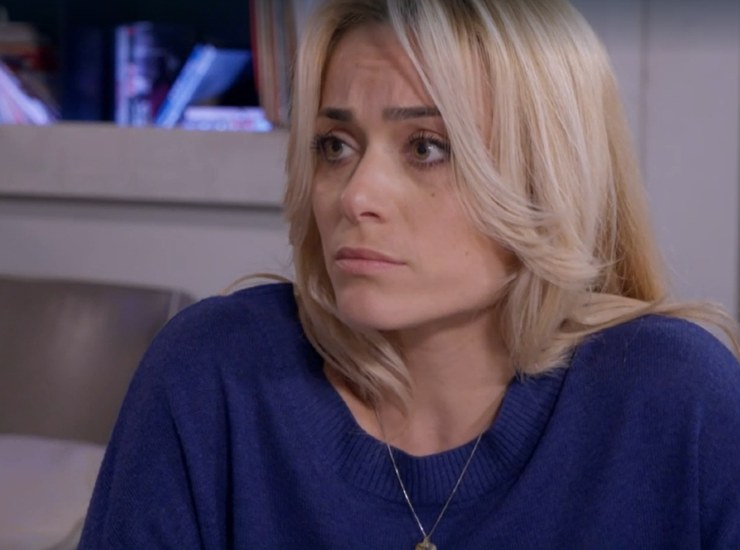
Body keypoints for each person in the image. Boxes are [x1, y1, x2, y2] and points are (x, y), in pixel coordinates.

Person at [80, 0, 740, 548]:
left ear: (548, 178)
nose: (355, 195)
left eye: (426, 147)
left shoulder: (676, 400)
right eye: (336, 146)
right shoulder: (213, 373)